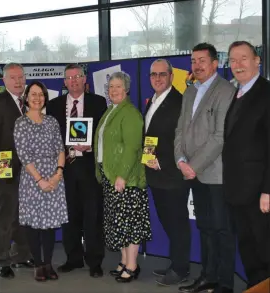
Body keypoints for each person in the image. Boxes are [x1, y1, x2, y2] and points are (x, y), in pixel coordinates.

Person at [175, 43, 236, 293]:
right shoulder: (189, 91)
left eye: (202, 60)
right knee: (205, 227)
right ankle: (208, 276)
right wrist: (180, 159)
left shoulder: (225, 91)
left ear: (215, 63)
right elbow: (180, 129)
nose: (196, 66)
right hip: (193, 173)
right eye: (193, 61)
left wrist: (193, 166)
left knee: (222, 230)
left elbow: (220, 136)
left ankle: (224, 284)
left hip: (216, 174)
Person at [46, 64, 107, 278]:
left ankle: (95, 261)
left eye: (78, 76)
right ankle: (73, 258)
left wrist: (91, 146)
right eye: (69, 77)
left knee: (93, 216)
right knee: (69, 216)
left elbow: (104, 136)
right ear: (64, 82)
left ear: (84, 79)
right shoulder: (53, 106)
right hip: (65, 169)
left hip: (90, 168)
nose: (73, 81)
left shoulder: (98, 103)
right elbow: (50, 138)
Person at [94, 71, 152, 283]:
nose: (114, 90)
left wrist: (122, 176)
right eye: (111, 87)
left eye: (118, 86)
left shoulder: (130, 113)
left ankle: (132, 265)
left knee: (129, 224)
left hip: (124, 179)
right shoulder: (111, 110)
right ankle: (123, 260)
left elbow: (132, 148)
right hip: (110, 176)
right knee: (119, 223)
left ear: (126, 89)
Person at [222, 41, 270, 290]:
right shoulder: (238, 93)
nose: (237, 65)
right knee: (248, 249)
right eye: (232, 60)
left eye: (243, 58)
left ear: (257, 60)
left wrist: (267, 190)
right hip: (238, 190)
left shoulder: (265, 93)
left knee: (264, 250)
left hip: (259, 194)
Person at [13, 81, 68, 281]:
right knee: (34, 225)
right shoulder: (21, 123)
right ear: (26, 98)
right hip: (32, 180)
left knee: (50, 225)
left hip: (54, 177)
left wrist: (57, 174)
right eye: (33, 94)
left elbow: (60, 149)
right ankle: (37, 264)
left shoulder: (52, 121)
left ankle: (48, 263)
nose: (37, 98)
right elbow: (24, 155)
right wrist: (39, 180)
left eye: (41, 95)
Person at [143, 59, 191, 285]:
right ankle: (175, 263)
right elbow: (151, 136)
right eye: (154, 74)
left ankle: (181, 269)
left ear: (171, 76)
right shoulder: (152, 101)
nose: (158, 78)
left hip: (172, 175)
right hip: (156, 176)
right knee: (168, 222)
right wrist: (148, 157)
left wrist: (161, 160)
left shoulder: (179, 102)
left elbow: (182, 140)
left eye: (162, 74)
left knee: (178, 224)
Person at [0, 63, 33, 278]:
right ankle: (3, 259)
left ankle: (23, 255)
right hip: (5, 166)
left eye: (21, 77)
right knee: (5, 215)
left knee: (23, 215)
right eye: (13, 78)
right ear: (4, 80)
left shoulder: (29, 102)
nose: (18, 81)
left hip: (28, 169)